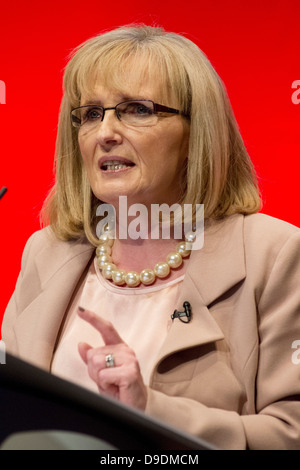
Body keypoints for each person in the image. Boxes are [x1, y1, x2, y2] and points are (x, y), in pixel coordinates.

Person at [2, 24, 300, 450]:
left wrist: (149, 410)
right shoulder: (46, 253)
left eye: (137, 109)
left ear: (197, 133)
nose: (104, 133)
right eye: (90, 114)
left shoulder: (276, 255)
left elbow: (292, 433)